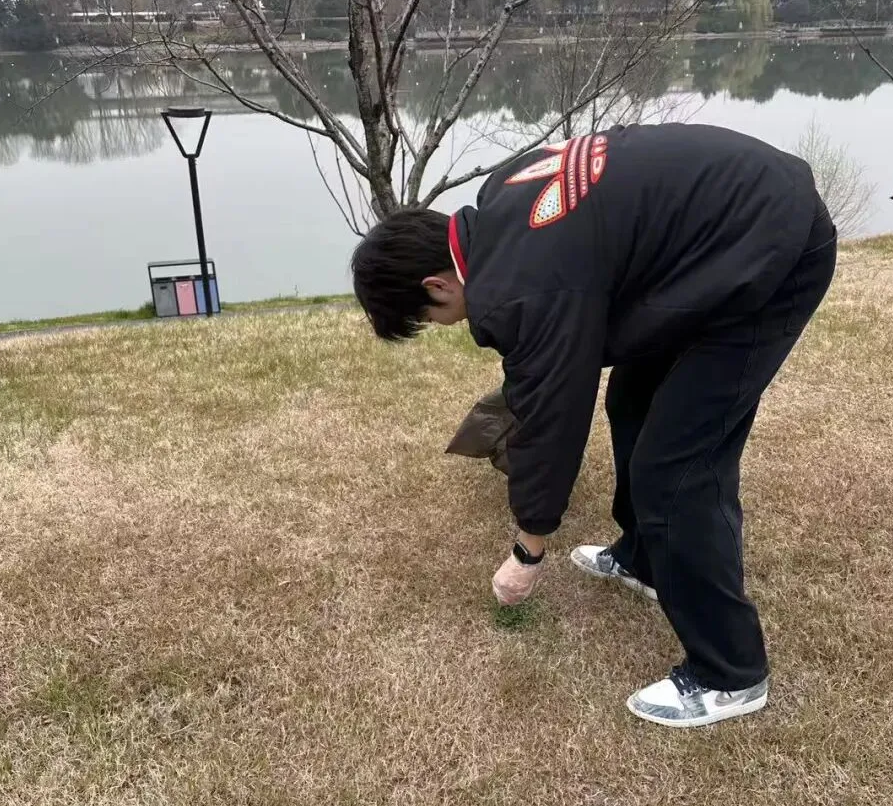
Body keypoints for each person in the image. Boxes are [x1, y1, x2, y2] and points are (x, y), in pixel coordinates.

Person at [351, 124, 837, 729]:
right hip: (718, 240)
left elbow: (552, 417)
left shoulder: (520, 287)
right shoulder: (501, 203)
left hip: (773, 248)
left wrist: (527, 550)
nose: (442, 324)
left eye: (430, 317)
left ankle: (731, 672)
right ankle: (644, 560)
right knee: (632, 400)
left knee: (676, 467)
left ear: (437, 284)